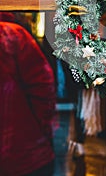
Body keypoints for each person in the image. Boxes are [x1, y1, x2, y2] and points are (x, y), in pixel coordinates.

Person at [0, 21, 56, 176]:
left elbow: (43, 86)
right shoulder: (12, 35)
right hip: (26, 154)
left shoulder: (11, 36)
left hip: (25, 154)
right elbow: (44, 87)